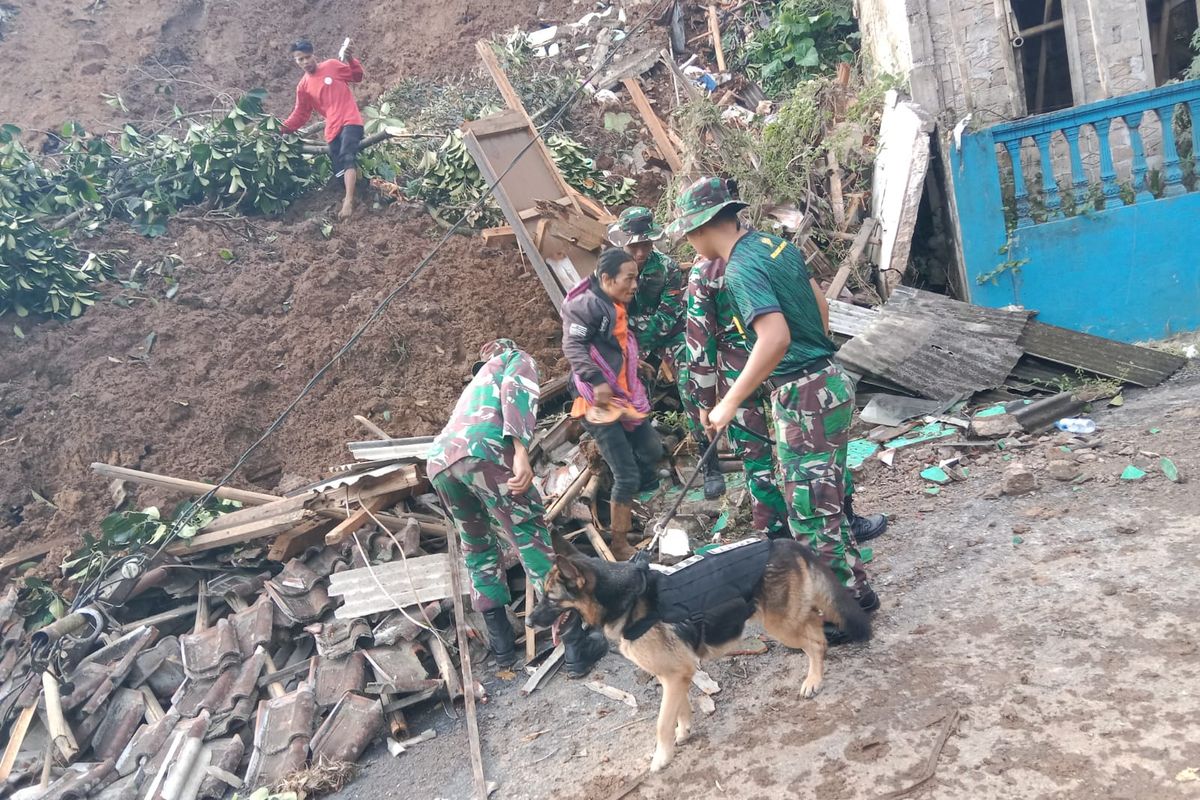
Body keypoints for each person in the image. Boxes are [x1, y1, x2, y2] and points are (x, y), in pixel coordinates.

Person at [667, 177, 879, 643]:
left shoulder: (738, 269)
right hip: (827, 380)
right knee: (824, 500)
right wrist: (816, 351)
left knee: (808, 513)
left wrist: (728, 401)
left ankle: (841, 616)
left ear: (701, 228)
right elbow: (819, 303)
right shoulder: (771, 244)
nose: (690, 244)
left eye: (688, 234)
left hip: (803, 395)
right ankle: (857, 594)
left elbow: (775, 338)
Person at [427, 338, 607, 676]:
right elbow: (516, 394)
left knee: (477, 544)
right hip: (484, 452)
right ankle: (576, 648)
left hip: (439, 461)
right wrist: (521, 453)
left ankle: (502, 650)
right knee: (529, 538)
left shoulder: (474, 387)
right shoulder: (515, 358)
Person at [685, 255, 888, 543]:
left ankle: (779, 537)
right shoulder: (766, 251)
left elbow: (699, 340)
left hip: (739, 372)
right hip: (784, 359)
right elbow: (813, 303)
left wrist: (705, 400)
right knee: (821, 445)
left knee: (756, 459)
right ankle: (843, 519)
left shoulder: (704, 271)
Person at [613, 207, 726, 501]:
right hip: (632, 340)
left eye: (645, 244)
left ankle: (709, 464)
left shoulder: (668, 268)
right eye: (634, 245)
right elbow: (611, 313)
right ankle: (643, 470)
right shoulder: (614, 270)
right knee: (627, 399)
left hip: (669, 333)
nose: (639, 251)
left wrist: (644, 348)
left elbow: (668, 313)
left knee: (692, 386)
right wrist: (629, 353)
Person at [561, 248, 665, 561]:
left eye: (636, 278)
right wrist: (597, 380)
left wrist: (635, 365)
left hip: (623, 392)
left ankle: (630, 479)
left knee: (652, 450)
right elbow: (573, 345)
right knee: (627, 474)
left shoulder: (612, 301)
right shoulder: (587, 305)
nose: (635, 285)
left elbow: (617, 342)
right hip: (598, 400)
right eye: (629, 279)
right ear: (607, 279)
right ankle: (620, 543)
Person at [280, 39, 365, 220]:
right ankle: (358, 195)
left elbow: (357, 76)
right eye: (300, 59)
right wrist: (280, 129)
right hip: (332, 129)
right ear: (295, 61)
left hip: (350, 121)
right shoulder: (303, 87)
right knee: (338, 169)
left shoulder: (332, 66)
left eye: (307, 57)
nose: (305, 62)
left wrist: (350, 60)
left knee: (348, 156)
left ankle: (348, 202)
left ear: (314, 54)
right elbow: (301, 114)